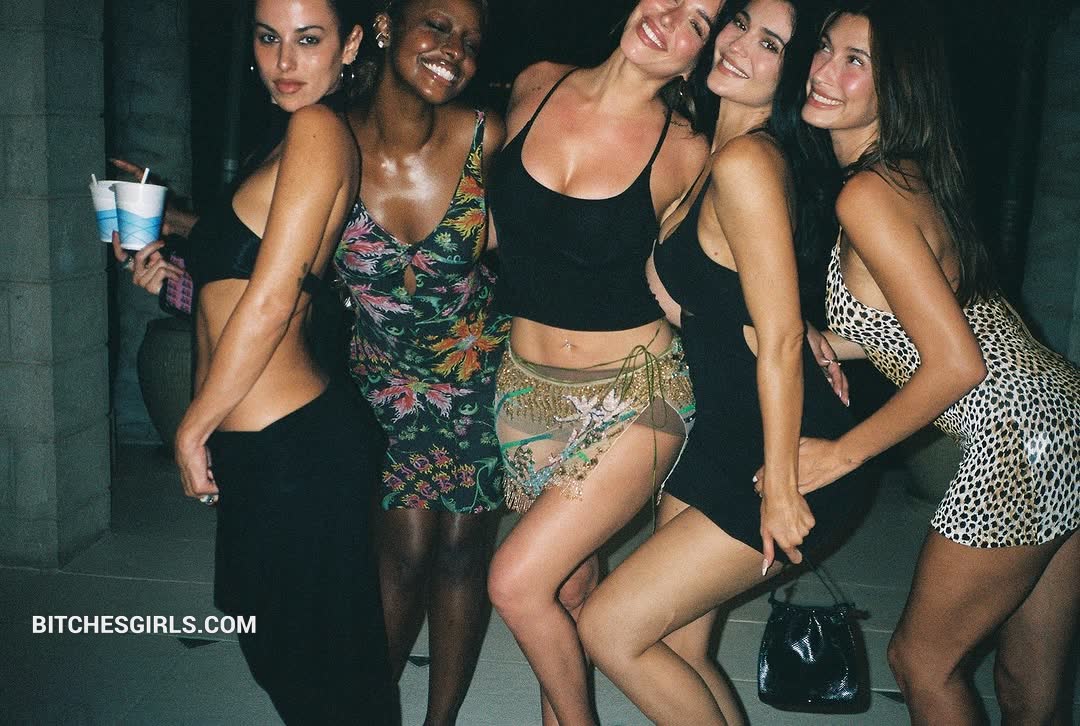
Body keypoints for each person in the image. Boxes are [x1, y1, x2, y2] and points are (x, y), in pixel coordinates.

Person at [574, 1, 869, 723]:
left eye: (769, 44)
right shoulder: (718, 152)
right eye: (738, 24)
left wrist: (782, 488)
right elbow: (741, 304)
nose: (738, 44)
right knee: (679, 649)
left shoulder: (747, 163)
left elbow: (778, 342)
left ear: (790, 75)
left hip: (777, 451)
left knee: (609, 628)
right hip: (721, 432)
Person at [792, 2, 1080, 723]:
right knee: (1027, 677)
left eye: (855, 60)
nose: (823, 70)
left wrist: (840, 455)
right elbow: (920, 327)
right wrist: (822, 337)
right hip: (1061, 415)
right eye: (825, 47)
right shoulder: (907, 178)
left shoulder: (868, 194)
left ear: (899, 87)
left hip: (1017, 436)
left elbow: (956, 364)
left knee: (922, 662)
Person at [115, 1, 396, 722]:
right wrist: (173, 269)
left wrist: (191, 427)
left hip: (294, 446)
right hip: (270, 444)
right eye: (269, 38)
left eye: (309, 39)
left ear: (350, 45)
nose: (284, 62)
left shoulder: (317, 129)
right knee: (286, 648)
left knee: (315, 667)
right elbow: (239, 285)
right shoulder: (286, 140)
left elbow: (274, 302)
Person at [484, 1, 726, 722]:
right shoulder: (535, 85)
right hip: (524, 389)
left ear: (697, 59)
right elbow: (495, 226)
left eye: (698, 22)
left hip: (634, 395)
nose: (671, 19)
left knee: (515, 583)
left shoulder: (688, 148)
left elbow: (713, 271)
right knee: (562, 592)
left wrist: (794, 331)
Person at [332, 1, 508, 723]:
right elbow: (264, 235)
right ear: (385, 26)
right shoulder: (329, 141)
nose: (453, 49)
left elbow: (540, 242)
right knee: (403, 554)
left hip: (478, 374)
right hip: (385, 383)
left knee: (463, 553)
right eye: (436, 24)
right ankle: (367, 709)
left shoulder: (483, 135)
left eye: (470, 39)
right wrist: (172, 230)